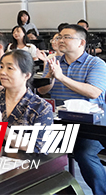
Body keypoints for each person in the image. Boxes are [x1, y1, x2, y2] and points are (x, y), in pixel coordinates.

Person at [37, 24, 106, 194]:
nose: (61, 40)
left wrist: (61, 77)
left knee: (84, 154)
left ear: (81, 42)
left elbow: (93, 91)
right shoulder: (54, 62)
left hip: (89, 126)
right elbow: (42, 91)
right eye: (59, 37)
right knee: (37, 148)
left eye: (66, 37)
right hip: (60, 123)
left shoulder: (96, 63)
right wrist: (51, 76)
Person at [0, 50, 53, 153]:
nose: (2, 72)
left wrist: (1, 128)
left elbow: (37, 148)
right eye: (1, 67)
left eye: (10, 68)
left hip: (26, 161)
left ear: (26, 75)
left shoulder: (41, 107)